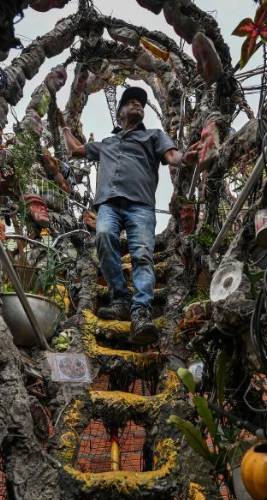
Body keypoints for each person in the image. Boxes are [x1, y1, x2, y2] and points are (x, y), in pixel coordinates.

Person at [61, 87, 196, 344]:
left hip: (140, 205)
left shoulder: (154, 136)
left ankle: (140, 312)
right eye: (131, 102)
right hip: (109, 204)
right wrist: (65, 130)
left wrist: (185, 157)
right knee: (103, 236)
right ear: (120, 113)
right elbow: (77, 151)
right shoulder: (107, 143)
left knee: (142, 254)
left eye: (140, 103)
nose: (137, 105)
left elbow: (172, 155)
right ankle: (120, 298)